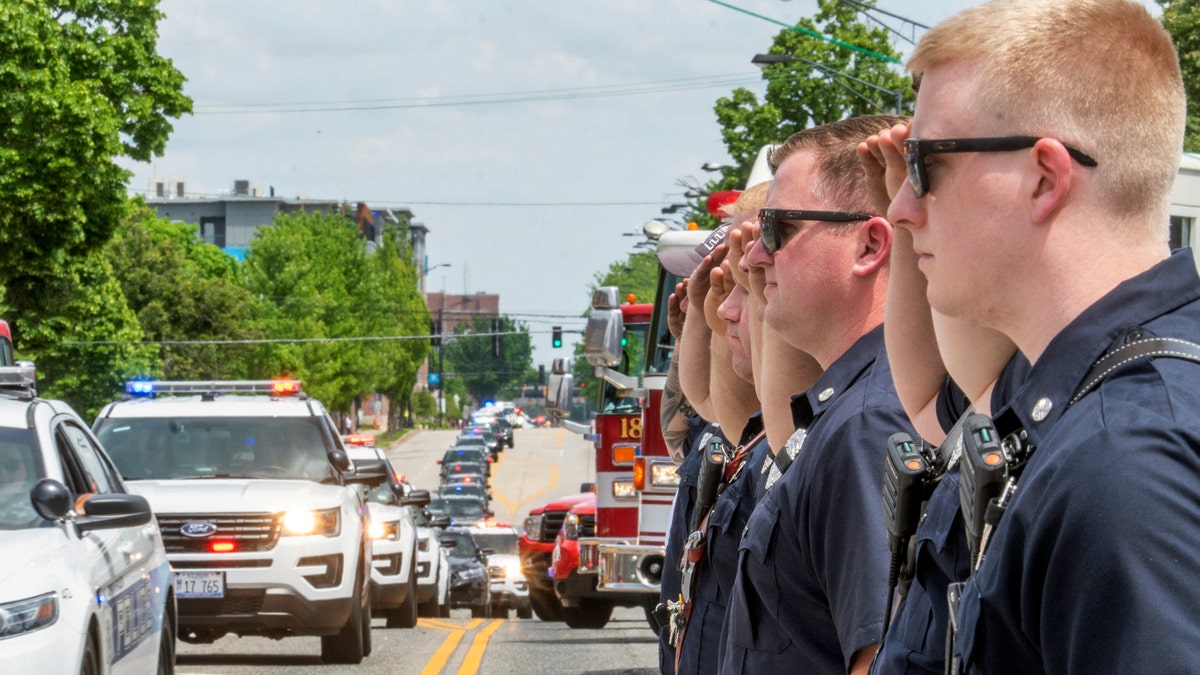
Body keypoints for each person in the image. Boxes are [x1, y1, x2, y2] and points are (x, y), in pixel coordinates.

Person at [875, 1, 1197, 672]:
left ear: (1044, 179)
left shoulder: (1124, 459)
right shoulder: (1076, 404)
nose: (901, 209)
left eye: (922, 164)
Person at [721, 113, 911, 675]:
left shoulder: (869, 424)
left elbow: (874, 658)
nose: (756, 258)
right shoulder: (846, 409)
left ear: (870, 244)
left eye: (777, 230)